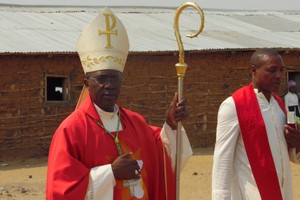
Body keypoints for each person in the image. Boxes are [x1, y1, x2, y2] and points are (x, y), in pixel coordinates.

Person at [46, 8, 192, 200]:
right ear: (87, 84)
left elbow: (161, 161)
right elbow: (61, 191)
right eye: (102, 79)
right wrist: (110, 173)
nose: (109, 85)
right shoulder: (71, 130)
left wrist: (171, 125)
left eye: (115, 78)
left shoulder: (136, 122)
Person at [212, 49, 300, 200]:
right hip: (253, 193)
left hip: (283, 192)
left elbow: (287, 154)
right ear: (254, 70)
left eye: (281, 70)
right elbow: (222, 160)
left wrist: (297, 143)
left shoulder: (279, 105)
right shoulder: (234, 105)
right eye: (272, 70)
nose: (278, 76)